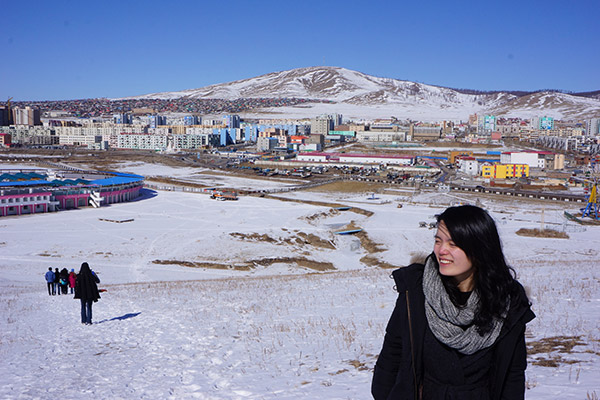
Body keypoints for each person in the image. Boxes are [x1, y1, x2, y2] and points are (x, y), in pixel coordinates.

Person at [372, 205, 535, 400]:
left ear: (480, 248)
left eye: (453, 244)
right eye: (438, 241)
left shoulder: (506, 303)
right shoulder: (416, 291)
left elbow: (513, 375)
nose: (442, 250)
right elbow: (392, 356)